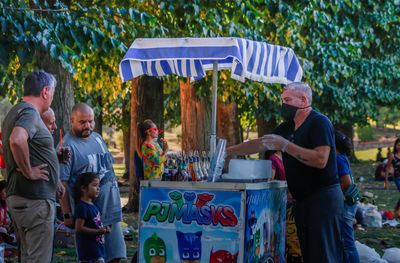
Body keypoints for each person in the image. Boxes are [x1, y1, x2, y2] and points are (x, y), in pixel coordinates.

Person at [227, 82, 343, 262]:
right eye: (282, 100)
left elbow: (321, 159)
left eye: (287, 100)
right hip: (302, 201)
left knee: (324, 254)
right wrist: (227, 150)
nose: (283, 105)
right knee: (309, 254)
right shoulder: (288, 127)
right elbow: (261, 143)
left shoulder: (319, 122)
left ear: (303, 100)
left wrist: (285, 146)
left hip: (322, 199)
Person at [1, 70, 65, 263]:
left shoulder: (16, 111)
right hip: (34, 200)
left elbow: (27, 145)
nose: (52, 97)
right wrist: (29, 171)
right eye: (53, 92)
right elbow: (17, 139)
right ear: (45, 91)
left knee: (28, 258)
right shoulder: (29, 112)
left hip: (23, 198)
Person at [59, 102, 126, 263]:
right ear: (72, 120)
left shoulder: (97, 138)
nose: (88, 126)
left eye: (91, 121)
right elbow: (63, 183)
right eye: (83, 122)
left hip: (111, 208)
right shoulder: (67, 147)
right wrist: (67, 214)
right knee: (95, 258)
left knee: (116, 256)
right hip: (89, 216)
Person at [74, 172, 111, 263]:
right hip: (89, 250)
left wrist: (105, 228)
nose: (98, 189)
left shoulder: (94, 206)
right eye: (94, 185)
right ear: (83, 188)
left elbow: (97, 224)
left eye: (98, 185)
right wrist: (98, 232)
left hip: (98, 248)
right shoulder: (82, 207)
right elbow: (79, 228)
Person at [335, 131, 360, 263]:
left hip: (346, 204)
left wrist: (331, 193)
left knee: (347, 242)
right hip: (348, 203)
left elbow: (346, 183)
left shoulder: (339, 159)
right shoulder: (342, 157)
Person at [385, 138, 400, 219]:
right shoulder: (392, 155)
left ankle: (397, 208)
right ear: (395, 145)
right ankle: (397, 208)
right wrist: (386, 180)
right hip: (397, 178)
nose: (399, 147)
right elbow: (387, 168)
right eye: (398, 145)